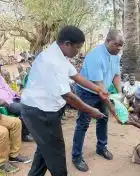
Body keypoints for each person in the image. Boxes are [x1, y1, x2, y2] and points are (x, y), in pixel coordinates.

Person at [21, 26, 107, 176]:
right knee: (56, 155)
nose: (78, 52)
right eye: (78, 47)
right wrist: (91, 110)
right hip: (40, 113)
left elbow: (76, 76)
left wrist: (99, 89)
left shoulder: (59, 56)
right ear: (67, 44)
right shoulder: (52, 61)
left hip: (42, 110)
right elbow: (68, 96)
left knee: (44, 151)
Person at [72, 29, 123, 172]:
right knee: (83, 123)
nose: (119, 48)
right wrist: (114, 109)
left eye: (121, 46)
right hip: (87, 93)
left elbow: (116, 76)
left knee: (103, 119)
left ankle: (101, 147)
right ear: (107, 41)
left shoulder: (116, 56)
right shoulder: (95, 56)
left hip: (103, 92)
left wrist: (119, 94)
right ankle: (76, 156)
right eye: (116, 44)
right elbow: (99, 87)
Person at [0, 74, 32, 142]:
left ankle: (30, 129)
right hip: (7, 103)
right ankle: (24, 134)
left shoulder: (1, 77)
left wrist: (16, 94)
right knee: (24, 109)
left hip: (13, 98)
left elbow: (8, 89)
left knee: (32, 105)